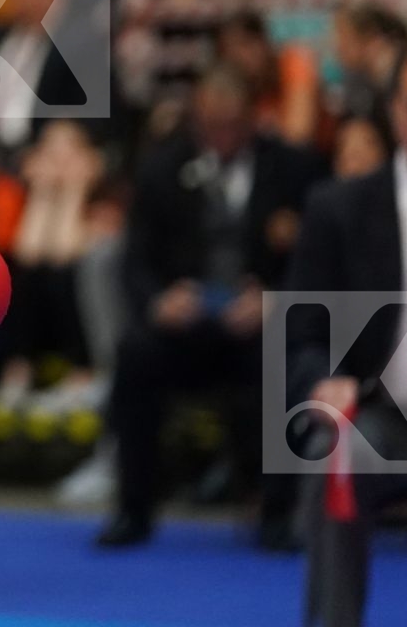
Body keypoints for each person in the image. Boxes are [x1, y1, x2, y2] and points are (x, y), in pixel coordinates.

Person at [290, 35, 407, 627]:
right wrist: (323, 381)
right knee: (333, 454)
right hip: (387, 419)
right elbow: (301, 334)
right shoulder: (338, 209)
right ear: (395, 111)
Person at [96, 63, 324, 549]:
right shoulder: (161, 168)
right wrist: (160, 301)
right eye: (209, 126)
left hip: (260, 325)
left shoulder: (295, 169)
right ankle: (133, 510)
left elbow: (318, 261)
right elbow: (135, 260)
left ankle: (278, 513)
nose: (220, 137)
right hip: (186, 323)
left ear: (253, 118)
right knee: (135, 355)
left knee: (287, 359)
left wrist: (274, 300)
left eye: (231, 125)